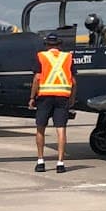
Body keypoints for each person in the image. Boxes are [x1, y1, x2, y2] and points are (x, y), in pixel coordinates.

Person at [28, 32, 74, 173]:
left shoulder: (41, 56)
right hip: (62, 96)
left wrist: (32, 97)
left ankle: (41, 161)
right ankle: (60, 163)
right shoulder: (68, 57)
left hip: (45, 97)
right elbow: (74, 81)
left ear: (47, 45)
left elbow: (37, 78)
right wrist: (72, 97)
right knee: (61, 129)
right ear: (59, 45)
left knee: (40, 128)